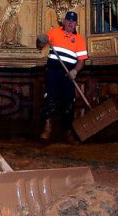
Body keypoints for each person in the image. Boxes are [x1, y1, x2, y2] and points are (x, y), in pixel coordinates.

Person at [36, 11, 88, 144]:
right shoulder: (53, 32)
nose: (70, 23)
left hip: (68, 75)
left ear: (76, 24)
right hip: (53, 72)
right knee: (50, 99)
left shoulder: (80, 40)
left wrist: (75, 71)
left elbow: (81, 61)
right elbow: (40, 45)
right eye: (68, 21)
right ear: (64, 21)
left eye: (73, 21)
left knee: (68, 103)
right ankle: (47, 129)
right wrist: (41, 41)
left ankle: (68, 133)